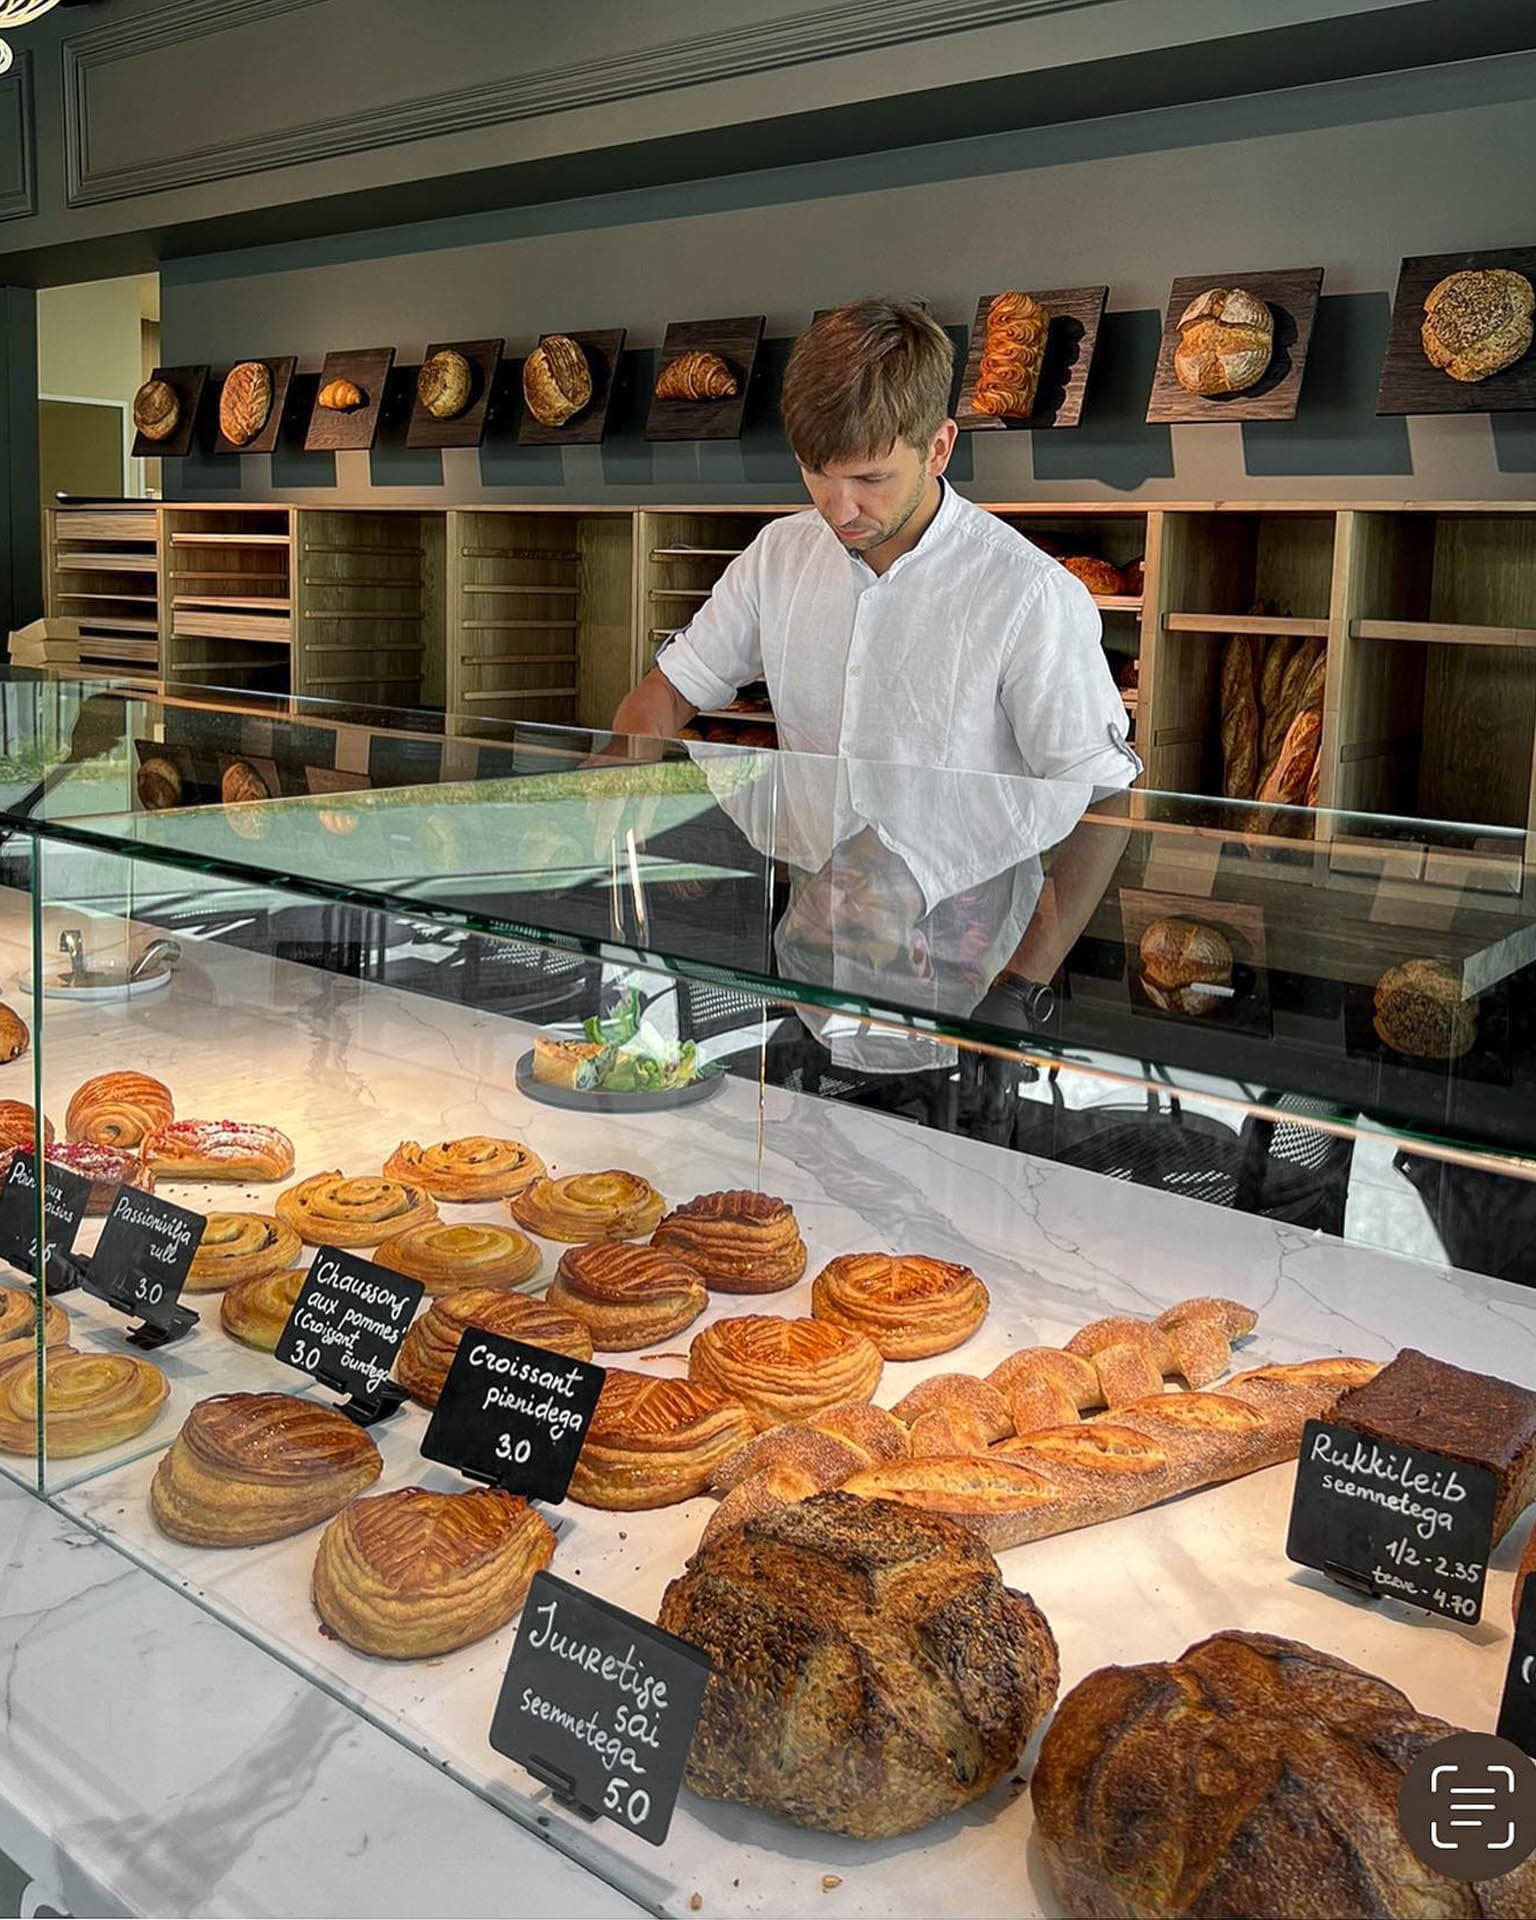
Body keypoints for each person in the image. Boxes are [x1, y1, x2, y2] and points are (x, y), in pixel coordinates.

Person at [611, 296, 1139, 1120]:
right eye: (817, 472)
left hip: (966, 1007)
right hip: (806, 985)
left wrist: (1021, 991)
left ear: (938, 446)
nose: (839, 507)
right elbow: (666, 695)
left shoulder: (1028, 594)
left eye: (868, 477)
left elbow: (1105, 799)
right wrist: (605, 815)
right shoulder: (779, 557)